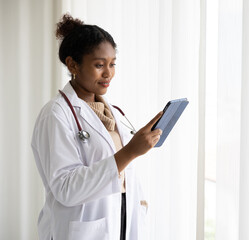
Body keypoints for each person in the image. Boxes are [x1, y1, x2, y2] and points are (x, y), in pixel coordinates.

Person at [31, 14, 162, 240]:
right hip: (83, 229)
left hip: (121, 220)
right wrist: (130, 151)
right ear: (73, 64)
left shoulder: (113, 112)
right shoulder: (56, 114)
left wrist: (139, 204)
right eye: (99, 65)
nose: (108, 73)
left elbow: (122, 174)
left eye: (112, 64)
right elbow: (66, 188)